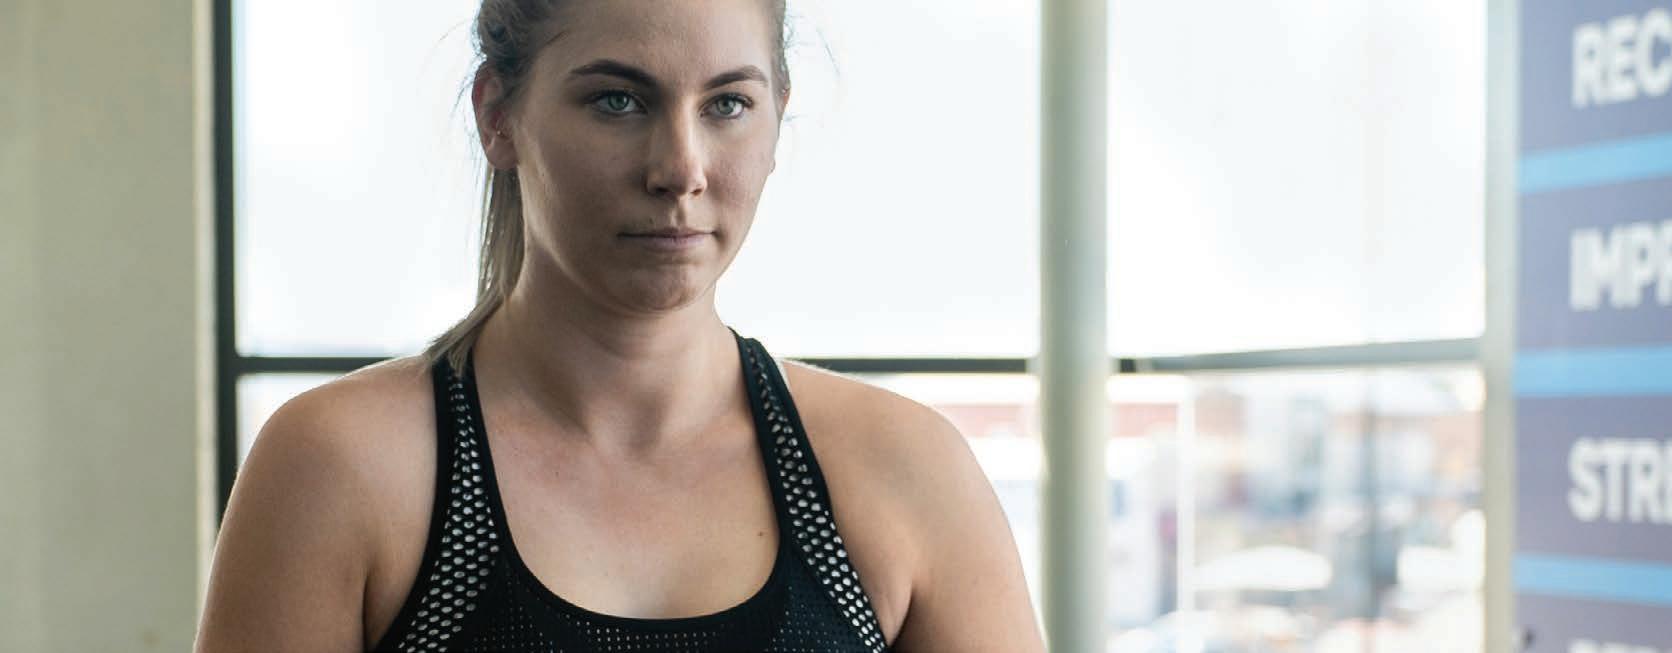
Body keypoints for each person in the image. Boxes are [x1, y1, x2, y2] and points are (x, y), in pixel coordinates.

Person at [193, 1, 1044, 651]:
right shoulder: (343, 466)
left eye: (727, 104)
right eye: (617, 100)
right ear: (497, 117)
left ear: (777, 115)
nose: (680, 168)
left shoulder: (905, 471)